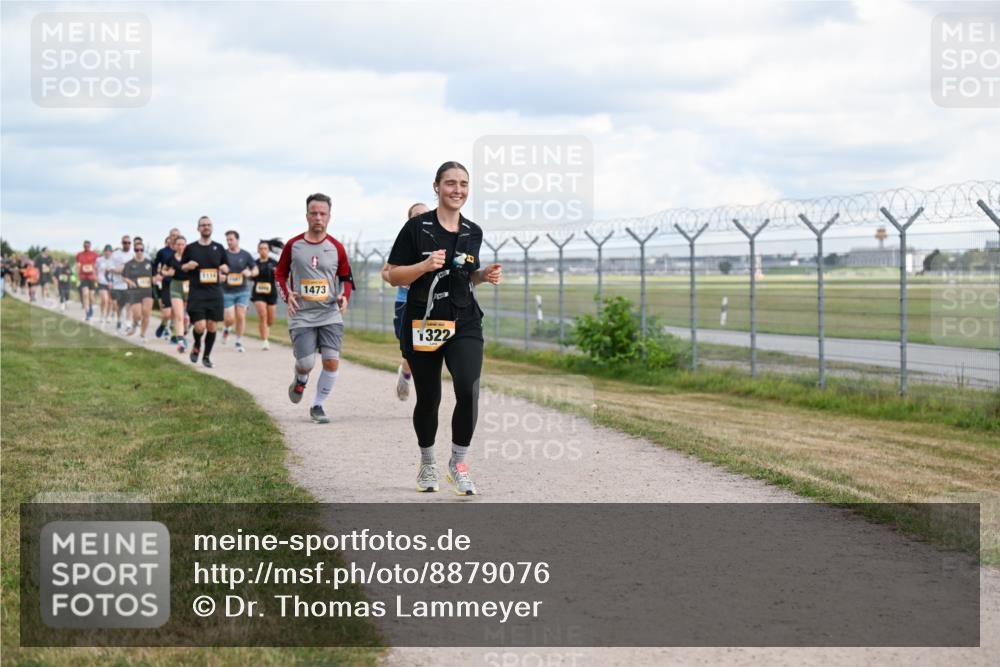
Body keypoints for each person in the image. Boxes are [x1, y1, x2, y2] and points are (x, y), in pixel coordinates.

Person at [384, 162, 503, 495]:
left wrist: (484, 275)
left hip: (464, 318)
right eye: (450, 183)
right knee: (430, 398)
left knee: (468, 389)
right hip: (424, 319)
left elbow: (468, 274)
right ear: (436, 186)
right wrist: (423, 265)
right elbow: (393, 274)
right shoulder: (416, 228)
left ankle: (458, 464)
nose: (458, 190)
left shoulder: (472, 231)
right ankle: (426, 462)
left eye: (464, 184)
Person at [275, 193, 353, 424]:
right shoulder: (293, 245)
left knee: (331, 360)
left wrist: (344, 296)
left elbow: (347, 278)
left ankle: (318, 405)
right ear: (307, 215)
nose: (318, 217)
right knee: (306, 364)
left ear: (329, 216)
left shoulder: (336, 247)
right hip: (301, 315)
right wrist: (287, 295)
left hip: (329, 313)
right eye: (314, 213)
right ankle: (300, 379)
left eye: (323, 213)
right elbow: (279, 274)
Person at [382, 202, 429, 401]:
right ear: (409, 220)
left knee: (428, 351)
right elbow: (385, 272)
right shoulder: (405, 242)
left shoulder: (440, 242)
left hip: (431, 303)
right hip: (406, 303)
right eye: (416, 215)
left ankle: (426, 396)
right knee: (412, 351)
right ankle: (406, 373)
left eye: (425, 214)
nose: (421, 218)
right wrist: (400, 279)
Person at [180, 216, 229, 368]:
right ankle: (196, 345)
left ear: (212, 227)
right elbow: (182, 268)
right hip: (197, 293)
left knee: (212, 326)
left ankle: (206, 357)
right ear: (198, 228)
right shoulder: (191, 248)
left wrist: (224, 270)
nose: (206, 227)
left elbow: (226, 268)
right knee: (200, 326)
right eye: (203, 225)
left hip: (214, 294)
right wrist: (188, 265)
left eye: (208, 225)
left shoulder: (219, 248)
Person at [221, 229, 258, 353]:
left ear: (237, 240)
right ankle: (226, 328)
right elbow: (216, 268)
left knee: (241, 316)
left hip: (242, 290)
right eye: (227, 240)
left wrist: (250, 272)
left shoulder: (245, 255)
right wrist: (220, 271)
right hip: (227, 291)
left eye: (231, 239)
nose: (229, 242)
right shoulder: (223, 254)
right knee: (229, 318)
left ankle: (238, 341)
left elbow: (255, 269)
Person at [160, 235, 190, 351]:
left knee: (187, 315)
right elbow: (163, 270)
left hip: (189, 286)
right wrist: (168, 273)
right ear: (174, 246)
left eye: (183, 244)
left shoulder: (190, 257)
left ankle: (187, 324)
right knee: (178, 315)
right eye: (178, 244)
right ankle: (181, 341)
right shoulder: (170, 258)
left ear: (185, 245)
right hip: (176, 286)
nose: (180, 246)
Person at [122, 240, 155, 342]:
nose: (139, 252)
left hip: (147, 291)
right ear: (134, 250)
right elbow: (123, 277)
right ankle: (135, 323)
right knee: (137, 315)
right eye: (137, 250)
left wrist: (156, 279)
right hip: (134, 291)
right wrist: (129, 282)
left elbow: (155, 275)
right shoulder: (129, 264)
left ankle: (142, 335)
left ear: (143, 250)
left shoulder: (149, 263)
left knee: (146, 313)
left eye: (141, 250)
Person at [252, 239, 281, 350]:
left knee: (270, 319)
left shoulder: (274, 263)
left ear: (269, 250)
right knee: (262, 315)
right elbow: (250, 276)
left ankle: (266, 330)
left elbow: (282, 275)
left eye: (265, 248)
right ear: (258, 250)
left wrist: (277, 272)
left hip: (271, 292)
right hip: (258, 292)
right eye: (261, 248)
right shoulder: (254, 263)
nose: (263, 250)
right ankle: (265, 341)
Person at [152, 229, 181, 340]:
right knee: (167, 313)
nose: (174, 237)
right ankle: (164, 324)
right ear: (169, 237)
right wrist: (155, 275)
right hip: (166, 284)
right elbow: (154, 265)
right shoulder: (163, 252)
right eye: (173, 235)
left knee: (176, 311)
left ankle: (174, 335)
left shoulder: (184, 251)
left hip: (179, 284)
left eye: (177, 235)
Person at [109, 235, 134, 332]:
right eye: (125, 242)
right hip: (118, 284)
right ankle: (119, 319)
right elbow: (111, 268)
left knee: (129, 304)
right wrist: (121, 269)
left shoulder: (133, 254)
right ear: (122, 243)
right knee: (119, 306)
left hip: (129, 284)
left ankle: (128, 324)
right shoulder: (115, 254)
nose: (127, 244)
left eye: (128, 243)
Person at [75, 240, 99, 321]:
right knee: (85, 294)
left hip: (92, 277)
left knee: (91, 296)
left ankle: (91, 307)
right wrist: (78, 276)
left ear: (90, 246)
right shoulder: (79, 255)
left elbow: (97, 265)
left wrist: (97, 275)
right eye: (85, 246)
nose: (86, 247)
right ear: (83, 246)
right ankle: (87, 313)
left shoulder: (95, 255)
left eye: (88, 246)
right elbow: (78, 265)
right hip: (83, 276)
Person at [95, 244, 115, 325]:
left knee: (110, 301)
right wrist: (96, 277)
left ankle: (108, 316)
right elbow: (95, 269)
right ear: (104, 251)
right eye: (106, 251)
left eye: (109, 251)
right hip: (102, 282)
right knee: (104, 299)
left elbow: (116, 272)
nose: (107, 252)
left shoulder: (114, 260)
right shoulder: (99, 260)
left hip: (111, 283)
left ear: (111, 252)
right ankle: (102, 314)